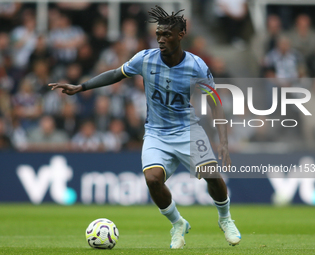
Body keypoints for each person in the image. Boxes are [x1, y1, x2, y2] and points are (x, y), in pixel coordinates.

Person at [49, 6, 241, 249]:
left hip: (187, 130)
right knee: (152, 179)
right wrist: (82, 86)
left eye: (167, 35)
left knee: (212, 174)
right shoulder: (145, 58)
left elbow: (215, 103)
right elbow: (116, 74)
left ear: (181, 35)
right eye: (158, 34)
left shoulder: (197, 66)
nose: (161, 39)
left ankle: (225, 219)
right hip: (156, 133)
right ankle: (177, 223)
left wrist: (223, 140)